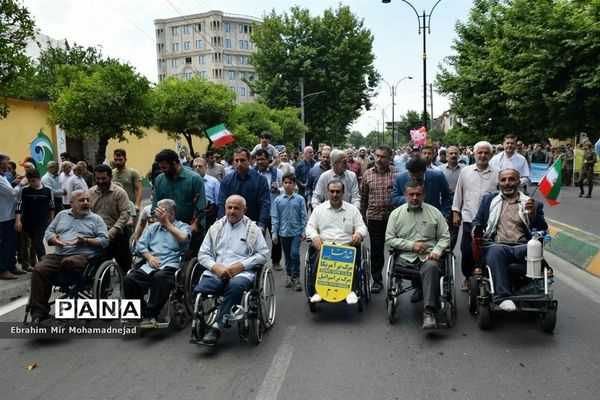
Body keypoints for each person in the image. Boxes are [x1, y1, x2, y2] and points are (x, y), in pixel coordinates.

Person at [194, 195, 269, 346]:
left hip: (241, 273)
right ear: (225, 208)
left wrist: (241, 265)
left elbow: (263, 254)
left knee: (235, 287)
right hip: (217, 271)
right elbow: (202, 254)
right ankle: (204, 320)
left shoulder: (252, 229)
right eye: (229, 207)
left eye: (236, 208)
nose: (232, 211)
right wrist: (215, 267)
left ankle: (217, 327)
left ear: (244, 210)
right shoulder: (215, 228)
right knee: (201, 289)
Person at [472, 169, 547, 312]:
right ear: (499, 183)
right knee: (496, 250)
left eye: (511, 179)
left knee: (535, 249)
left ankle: (534, 291)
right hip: (497, 246)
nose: (507, 183)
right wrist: (475, 229)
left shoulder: (532, 203)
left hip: (522, 247)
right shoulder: (489, 200)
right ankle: (502, 297)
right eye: (504, 180)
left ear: (518, 182)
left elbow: (542, 228)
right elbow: (477, 220)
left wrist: (533, 215)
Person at [29, 190, 109, 324]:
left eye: (87, 200)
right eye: (81, 200)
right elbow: (49, 231)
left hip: (82, 256)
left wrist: (85, 241)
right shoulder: (61, 215)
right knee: (39, 269)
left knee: (69, 262)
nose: (85, 203)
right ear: (71, 203)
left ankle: (67, 307)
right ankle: (39, 314)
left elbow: (105, 240)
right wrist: (53, 239)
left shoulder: (96, 219)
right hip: (58, 255)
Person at [385, 181, 450, 329]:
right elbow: (389, 239)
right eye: (411, 194)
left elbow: (445, 236)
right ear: (405, 195)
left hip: (429, 257)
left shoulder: (435, 213)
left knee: (431, 267)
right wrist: (411, 245)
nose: (414, 197)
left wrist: (437, 251)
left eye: (418, 194)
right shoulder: (396, 214)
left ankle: (429, 313)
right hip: (405, 258)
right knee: (402, 264)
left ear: (424, 195)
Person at [123, 199, 191, 328]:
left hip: (170, 265)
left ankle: (150, 314)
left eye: (161, 212)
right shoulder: (153, 227)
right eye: (157, 211)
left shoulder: (182, 226)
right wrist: (149, 257)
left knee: (159, 278)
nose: (157, 214)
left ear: (172, 214)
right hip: (150, 264)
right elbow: (141, 244)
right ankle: (139, 311)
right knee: (129, 279)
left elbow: (183, 238)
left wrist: (166, 223)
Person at [305, 180, 368, 305]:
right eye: (332, 191)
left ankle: (350, 290)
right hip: (324, 245)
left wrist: (358, 233)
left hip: (346, 245)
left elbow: (362, 226)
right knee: (320, 254)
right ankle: (318, 291)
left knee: (351, 255)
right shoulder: (319, 210)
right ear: (327, 193)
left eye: (338, 191)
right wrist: (314, 236)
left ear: (343, 193)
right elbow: (310, 227)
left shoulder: (352, 210)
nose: (335, 194)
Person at [452, 141, 499, 291]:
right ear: (474, 153)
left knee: (487, 250)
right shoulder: (466, 171)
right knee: (466, 250)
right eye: (480, 152)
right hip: (468, 218)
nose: (483, 155)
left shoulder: (497, 173)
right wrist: (455, 212)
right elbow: (459, 192)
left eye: (486, 153)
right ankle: (468, 277)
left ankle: (486, 277)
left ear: (490, 155)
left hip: (489, 221)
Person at [152, 149, 206, 255]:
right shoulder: (159, 180)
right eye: (161, 168)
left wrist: (193, 227)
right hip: (167, 230)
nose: (163, 171)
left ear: (175, 163)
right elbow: (155, 207)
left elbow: (200, 207)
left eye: (165, 168)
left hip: (192, 231)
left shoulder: (194, 179)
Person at [360, 145, 398, 294]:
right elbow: (363, 198)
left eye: (383, 157)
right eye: (377, 156)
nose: (379, 159)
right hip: (375, 218)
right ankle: (377, 280)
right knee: (376, 250)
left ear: (389, 158)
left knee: (396, 249)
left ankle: (395, 277)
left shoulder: (397, 174)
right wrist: (362, 216)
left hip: (394, 218)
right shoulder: (368, 175)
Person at [88, 164, 132, 272]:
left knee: (124, 264)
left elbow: (125, 213)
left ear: (110, 177)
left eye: (104, 178)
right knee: (100, 266)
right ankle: (104, 287)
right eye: (98, 178)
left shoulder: (119, 193)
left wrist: (114, 230)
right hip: (98, 234)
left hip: (117, 232)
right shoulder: (90, 193)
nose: (101, 181)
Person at [217, 148, 270, 232]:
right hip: (231, 226)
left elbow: (265, 203)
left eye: (242, 160)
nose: (239, 163)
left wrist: (261, 224)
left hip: (254, 226)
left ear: (249, 160)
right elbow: (221, 204)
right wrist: (222, 224)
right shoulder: (226, 180)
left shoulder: (260, 180)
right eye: (236, 160)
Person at [271, 173, 307, 291]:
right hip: (283, 232)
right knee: (287, 255)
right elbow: (275, 217)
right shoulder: (278, 200)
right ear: (282, 184)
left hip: (296, 232)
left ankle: (296, 277)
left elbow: (304, 216)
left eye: (290, 183)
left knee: (295, 253)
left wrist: (304, 230)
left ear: (294, 184)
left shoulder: (300, 199)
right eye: (285, 183)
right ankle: (289, 275)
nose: (287, 185)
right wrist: (274, 233)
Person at [15, 169, 55, 270]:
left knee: (37, 242)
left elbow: (51, 206)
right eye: (30, 181)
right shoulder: (24, 190)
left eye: (34, 180)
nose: (32, 183)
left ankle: (40, 263)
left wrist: (51, 220)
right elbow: (19, 205)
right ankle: (26, 264)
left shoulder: (48, 190)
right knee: (26, 243)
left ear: (39, 179)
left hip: (41, 222)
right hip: (27, 221)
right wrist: (18, 220)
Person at [254, 149, 284, 270]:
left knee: (275, 237)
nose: (260, 162)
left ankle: (276, 261)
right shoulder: (252, 173)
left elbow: (286, 187)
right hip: (258, 211)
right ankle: (257, 261)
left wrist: (278, 190)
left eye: (262, 159)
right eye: (257, 159)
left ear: (268, 159)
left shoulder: (277, 173)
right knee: (256, 237)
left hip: (274, 210)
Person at [0, 154, 29, 279]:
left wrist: (14, 182)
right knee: (5, 244)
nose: (8, 164)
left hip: (10, 215)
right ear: (1, 164)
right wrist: (22, 183)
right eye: (7, 162)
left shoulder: (3, 177)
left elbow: (6, 190)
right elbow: (12, 193)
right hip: (4, 217)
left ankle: (11, 266)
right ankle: (2, 269)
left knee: (12, 243)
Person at [439, 146, 464, 250]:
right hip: (442, 204)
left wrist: (458, 190)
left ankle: (449, 251)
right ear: (446, 155)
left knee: (454, 230)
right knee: (441, 230)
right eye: (451, 153)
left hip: (458, 205)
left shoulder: (465, 169)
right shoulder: (440, 170)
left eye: (455, 153)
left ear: (458, 155)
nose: (453, 155)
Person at [112, 148, 143, 214]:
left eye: (120, 160)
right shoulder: (111, 173)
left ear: (125, 159)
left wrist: (137, 205)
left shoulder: (133, 173)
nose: (118, 162)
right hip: (115, 209)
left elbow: (139, 189)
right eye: (116, 160)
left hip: (131, 208)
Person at [192, 157, 220, 228]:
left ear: (205, 168)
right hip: (194, 212)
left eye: (200, 166)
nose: (197, 168)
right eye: (195, 166)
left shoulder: (213, 182)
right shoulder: (190, 182)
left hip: (209, 212)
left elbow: (218, 200)